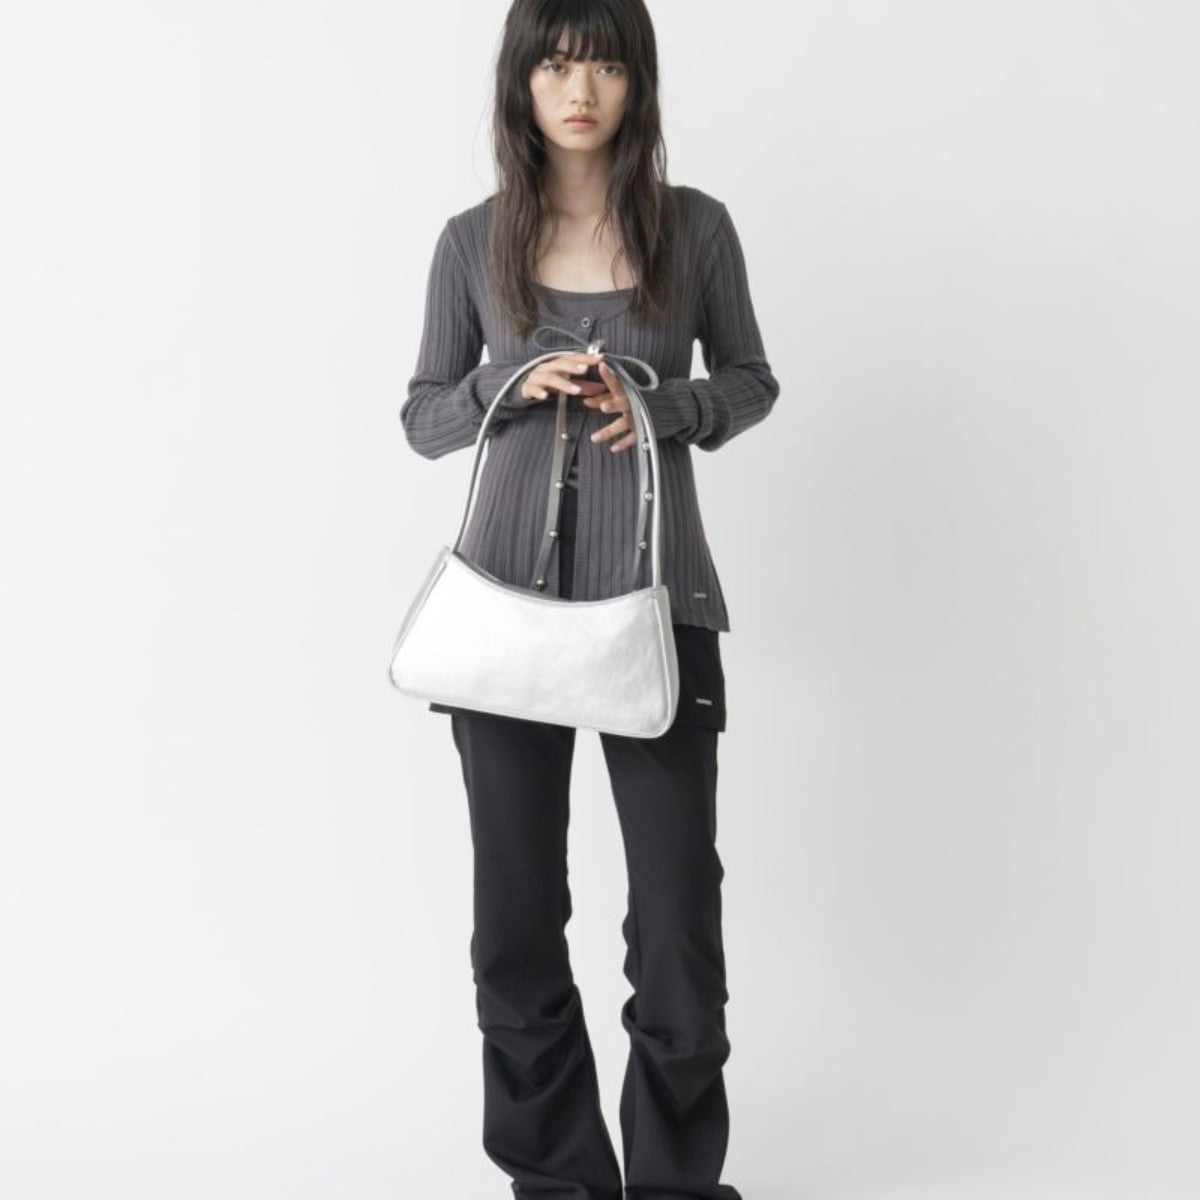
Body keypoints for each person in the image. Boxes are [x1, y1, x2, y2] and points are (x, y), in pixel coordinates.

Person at [399, 2, 778, 1197]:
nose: (580, 89)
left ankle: (673, 1183)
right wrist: (505, 384)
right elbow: (422, 415)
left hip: (658, 609)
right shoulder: (470, 242)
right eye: (556, 63)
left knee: (677, 923)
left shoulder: (695, 228)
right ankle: (558, 1180)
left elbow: (754, 379)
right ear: (521, 80)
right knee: (516, 921)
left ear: (637, 84)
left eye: (606, 64)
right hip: (500, 622)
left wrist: (667, 405)